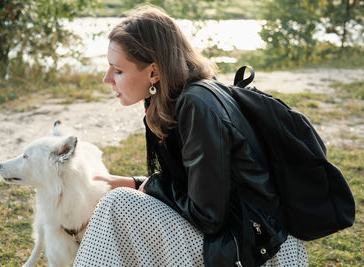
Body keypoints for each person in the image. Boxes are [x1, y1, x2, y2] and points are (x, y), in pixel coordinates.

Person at [73, 6, 308, 267]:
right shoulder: (173, 102)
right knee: (120, 199)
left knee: (117, 206)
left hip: (256, 247)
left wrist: (146, 186)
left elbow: (207, 215)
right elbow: (196, 185)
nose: (107, 79)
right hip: (236, 235)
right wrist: (130, 182)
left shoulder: (198, 106)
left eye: (117, 70)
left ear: (154, 72)